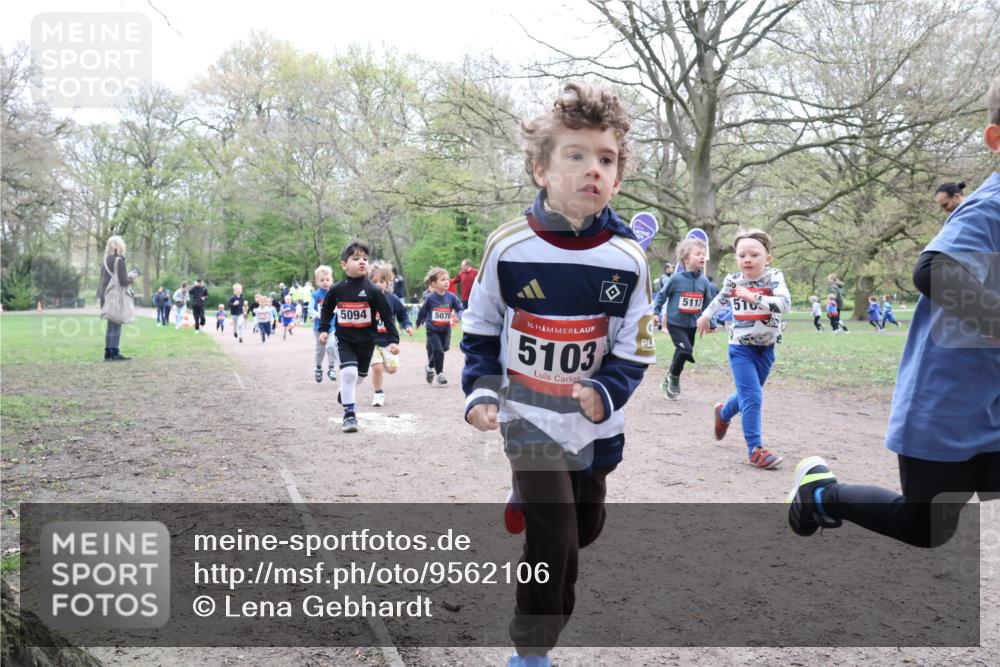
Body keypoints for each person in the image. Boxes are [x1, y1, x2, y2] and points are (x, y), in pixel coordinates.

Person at [461, 82, 655, 667]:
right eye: (575, 155)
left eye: (606, 158)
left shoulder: (628, 259)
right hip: (527, 416)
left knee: (586, 527)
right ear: (542, 169)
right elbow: (482, 330)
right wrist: (481, 389)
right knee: (557, 539)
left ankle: (526, 497)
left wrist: (604, 389)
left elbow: (636, 347)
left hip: (593, 426)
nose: (592, 168)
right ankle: (532, 652)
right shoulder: (508, 248)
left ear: (617, 178)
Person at [787, 76, 1000, 547]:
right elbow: (933, 272)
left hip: (992, 403)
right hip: (947, 404)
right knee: (926, 527)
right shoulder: (991, 208)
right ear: (996, 140)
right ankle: (824, 495)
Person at [698, 228, 791, 470]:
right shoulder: (733, 280)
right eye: (741, 256)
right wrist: (705, 316)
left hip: (766, 349)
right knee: (752, 397)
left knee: (747, 394)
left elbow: (785, 304)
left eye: (754, 254)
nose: (747, 260)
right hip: (740, 348)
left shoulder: (774, 278)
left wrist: (754, 298)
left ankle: (723, 413)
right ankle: (755, 450)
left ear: (767, 259)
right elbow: (719, 300)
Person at [318, 241, 399, 433]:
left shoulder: (373, 290)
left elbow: (387, 316)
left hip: (367, 342)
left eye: (365, 258)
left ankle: (344, 391)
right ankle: (349, 415)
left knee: (360, 376)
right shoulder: (336, 290)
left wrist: (393, 340)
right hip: (345, 340)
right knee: (348, 373)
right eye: (356, 258)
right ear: (344, 264)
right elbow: (327, 310)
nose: (362, 262)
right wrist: (323, 329)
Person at [655, 237, 712, 399]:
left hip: (692, 324)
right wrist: (655, 313)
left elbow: (708, 303)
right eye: (698, 254)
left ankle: (669, 377)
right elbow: (661, 295)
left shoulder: (704, 281)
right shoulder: (676, 279)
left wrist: (711, 321)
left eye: (703, 254)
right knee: (685, 350)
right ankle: (673, 378)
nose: (702, 257)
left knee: (683, 351)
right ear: (685, 259)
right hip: (675, 323)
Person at [369, 263, 413, 406]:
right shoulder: (366, 299)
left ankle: (381, 370)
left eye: (381, 282)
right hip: (372, 341)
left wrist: (407, 325)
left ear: (387, 283)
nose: (378, 285)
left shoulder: (392, 299)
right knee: (377, 368)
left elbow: (403, 314)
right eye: (374, 282)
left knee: (392, 369)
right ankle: (378, 393)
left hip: (388, 340)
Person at [416, 267, 463, 385]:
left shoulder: (451, 297)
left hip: (446, 329)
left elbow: (460, 308)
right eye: (443, 279)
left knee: (444, 349)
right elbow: (423, 311)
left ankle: (429, 366)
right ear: (434, 284)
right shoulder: (430, 298)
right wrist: (418, 321)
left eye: (447, 279)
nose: (447, 281)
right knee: (438, 351)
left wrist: (459, 316)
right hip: (433, 330)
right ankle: (440, 373)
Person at [97, 235, 138, 361]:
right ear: (119, 245)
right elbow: (123, 281)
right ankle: (114, 353)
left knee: (111, 325)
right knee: (117, 324)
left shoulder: (105, 260)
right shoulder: (119, 260)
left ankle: (108, 353)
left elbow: (105, 279)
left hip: (106, 295)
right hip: (115, 297)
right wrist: (133, 277)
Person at [309, 265, 339, 383]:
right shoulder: (315, 295)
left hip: (333, 326)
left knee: (331, 346)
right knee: (320, 349)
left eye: (327, 280)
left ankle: (331, 368)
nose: (325, 282)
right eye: (322, 280)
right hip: (319, 327)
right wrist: (318, 315)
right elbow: (310, 308)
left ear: (332, 280)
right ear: (317, 282)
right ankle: (318, 367)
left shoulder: (335, 293)